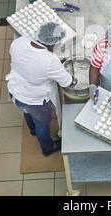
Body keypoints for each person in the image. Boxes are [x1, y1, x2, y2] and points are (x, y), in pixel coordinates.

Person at [6, 22, 76, 156]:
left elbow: (30, 63)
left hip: (15, 92)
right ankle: (47, 148)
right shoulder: (50, 60)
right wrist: (73, 80)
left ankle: (31, 130)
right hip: (35, 101)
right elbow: (67, 82)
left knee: (27, 113)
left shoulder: (20, 42)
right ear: (51, 44)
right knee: (42, 126)